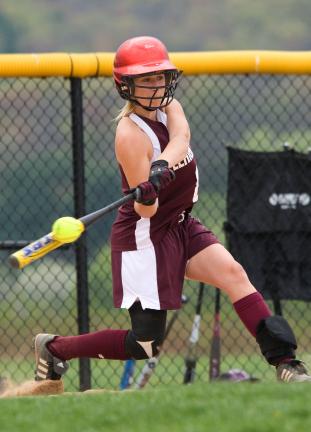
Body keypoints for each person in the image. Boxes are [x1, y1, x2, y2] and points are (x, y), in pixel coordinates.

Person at [33, 36, 310, 384]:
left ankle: (286, 362)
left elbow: (181, 137)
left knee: (233, 273)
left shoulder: (171, 107)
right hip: (145, 236)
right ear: (126, 86)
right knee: (145, 344)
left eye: (159, 77)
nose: (156, 85)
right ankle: (56, 348)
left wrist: (161, 165)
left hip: (181, 224)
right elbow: (146, 213)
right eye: (145, 80)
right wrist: (147, 195)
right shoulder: (129, 135)